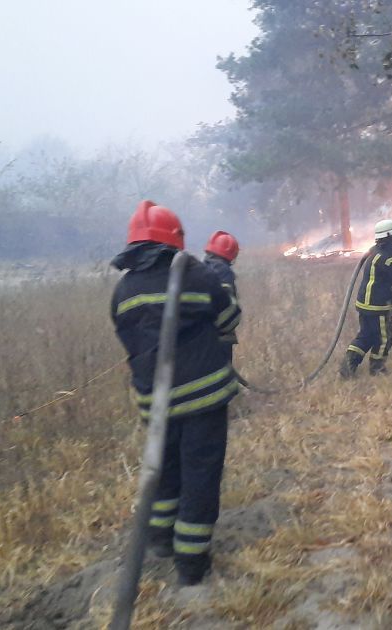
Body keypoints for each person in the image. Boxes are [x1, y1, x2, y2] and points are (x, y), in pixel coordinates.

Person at [110, 200, 242, 586]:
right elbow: (229, 317)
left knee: (164, 473)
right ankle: (191, 562)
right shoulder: (195, 276)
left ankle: (160, 540)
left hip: (157, 406)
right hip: (203, 402)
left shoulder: (123, 291)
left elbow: (130, 339)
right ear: (175, 241)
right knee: (199, 474)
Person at [341, 219, 392, 377]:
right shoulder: (386, 258)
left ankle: (348, 364)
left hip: (367, 304)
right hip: (377, 307)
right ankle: (377, 369)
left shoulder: (377, 251)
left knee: (366, 335)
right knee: (384, 337)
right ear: (389, 235)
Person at [203, 231, 240, 346]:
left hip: (202, 338)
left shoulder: (201, 268)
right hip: (220, 340)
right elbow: (228, 308)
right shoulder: (224, 271)